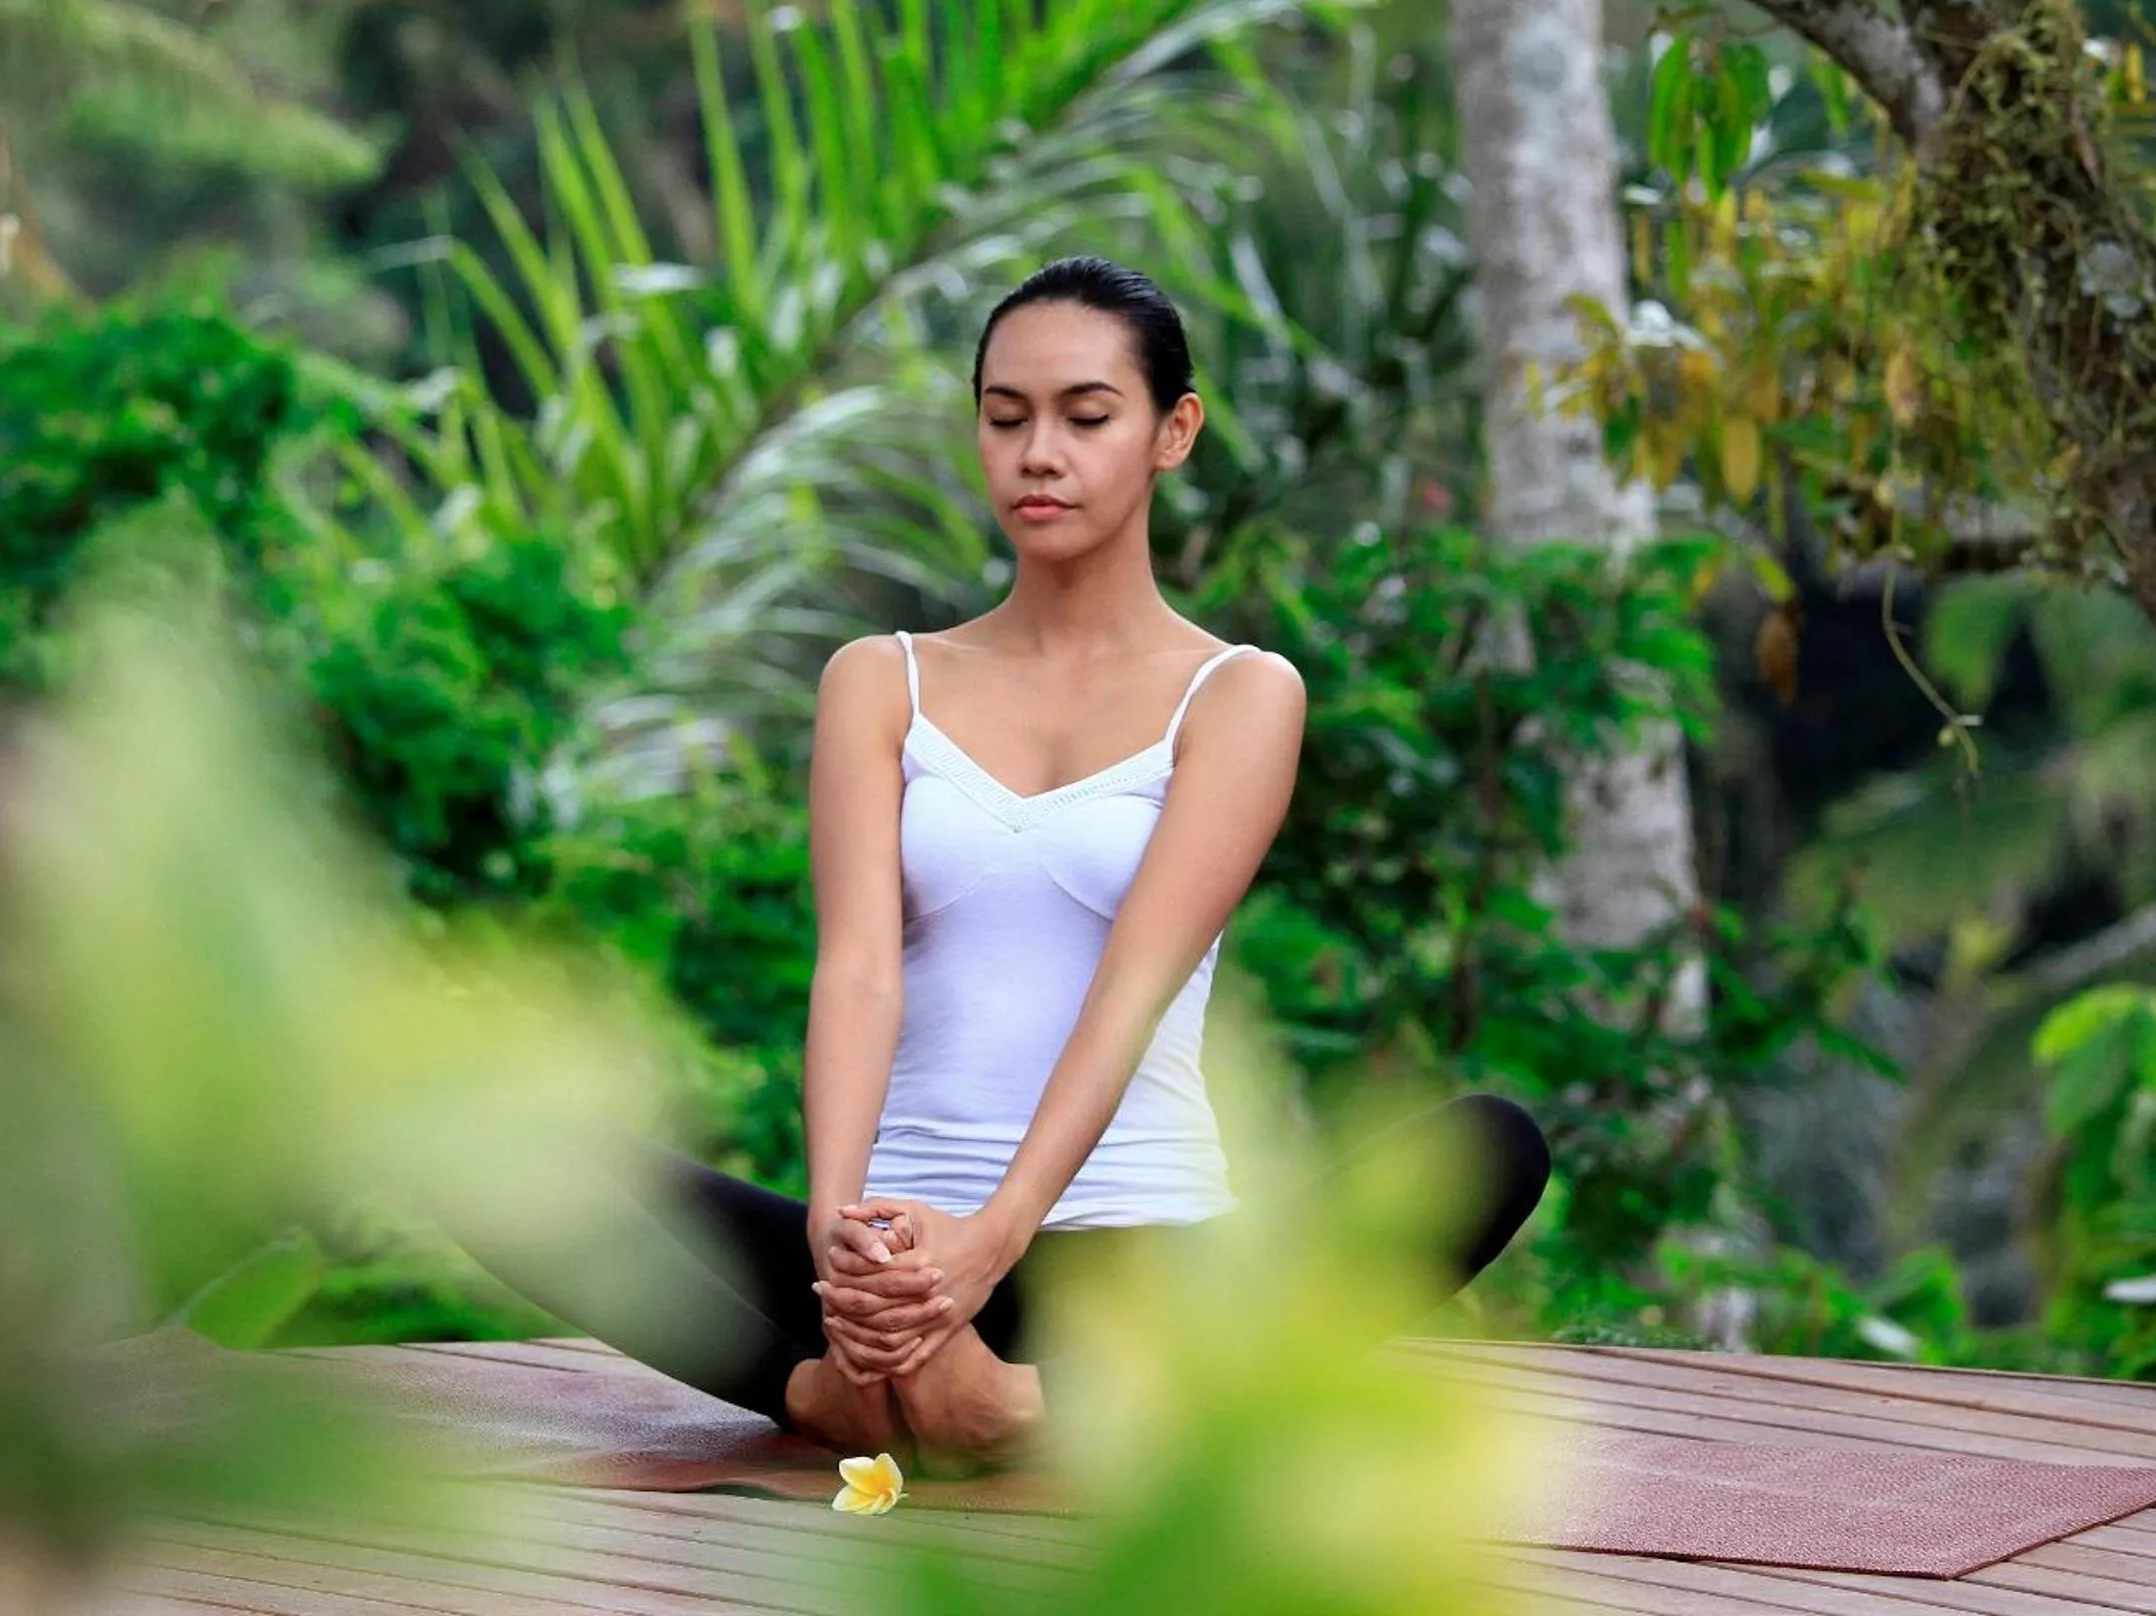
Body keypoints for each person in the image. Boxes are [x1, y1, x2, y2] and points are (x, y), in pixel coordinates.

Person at [457, 256, 1552, 1474]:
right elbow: (859, 969)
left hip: (1140, 1267)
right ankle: (825, 1390)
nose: (1040, 453)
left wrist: (992, 1241)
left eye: (1087, 417)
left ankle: (1036, 1405)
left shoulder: (1237, 694)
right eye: (1005, 415)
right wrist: (840, 1244)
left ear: (1171, 432)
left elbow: (1132, 988)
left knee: (1489, 1145)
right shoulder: (882, 679)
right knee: (464, 1131)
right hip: (891, 1259)